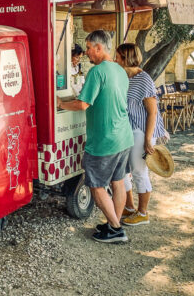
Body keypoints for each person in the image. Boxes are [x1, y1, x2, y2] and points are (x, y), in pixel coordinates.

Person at [57, 30, 134, 243]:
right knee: (118, 181)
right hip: (124, 137)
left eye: (89, 47)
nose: (87, 52)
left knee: (96, 185)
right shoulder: (120, 70)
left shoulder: (97, 72)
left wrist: (61, 104)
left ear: (99, 48)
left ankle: (117, 229)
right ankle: (112, 223)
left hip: (104, 140)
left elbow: (83, 103)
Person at [114, 43, 168, 226]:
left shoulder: (143, 79)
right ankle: (129, 207)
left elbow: (152, 112)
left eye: (118, 57)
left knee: (139, 171)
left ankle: (143, 213)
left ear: (126, 58)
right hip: (126, 130)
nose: (115, 60)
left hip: (141, 130)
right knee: (123, 172)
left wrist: (147, 140)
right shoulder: (123, 77)